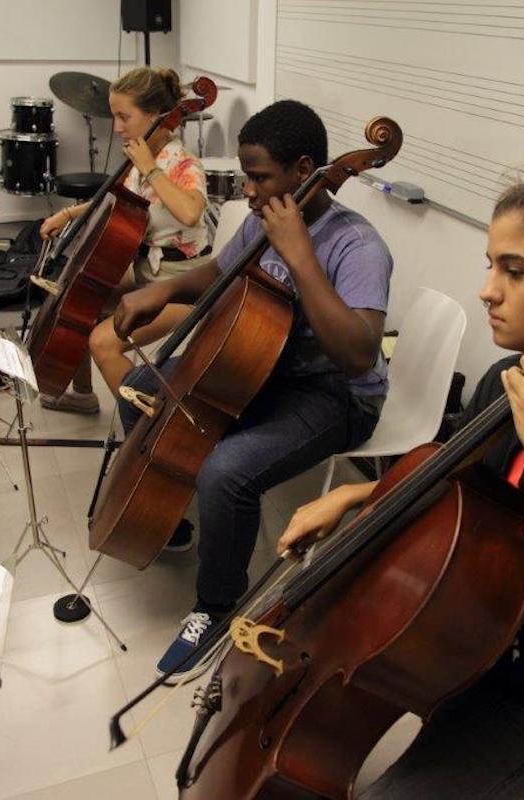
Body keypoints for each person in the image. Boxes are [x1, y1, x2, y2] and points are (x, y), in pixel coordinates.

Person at [277, 150, 524, 798]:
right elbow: (450, 488)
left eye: (514, 272)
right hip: (470, 646)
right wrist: (357, 494)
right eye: (491, 266)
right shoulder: (505, 377)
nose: (487, 290)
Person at [113, 100, 393, 681]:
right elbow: (222, 271)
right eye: (246, 174)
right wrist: (163, 293)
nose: (248, 188)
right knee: (141, 386)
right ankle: (174, 514)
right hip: (266, 367)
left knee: (227, 471)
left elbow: (358, 352)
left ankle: (215, 605)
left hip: (334, 394)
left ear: (304, 168)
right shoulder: (265, 214)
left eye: (260, 176)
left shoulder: (357, 246)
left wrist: (298, 253)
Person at [38, 66, 211, 414]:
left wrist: (150, 169)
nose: (117, 127)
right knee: (81, 301)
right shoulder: (141, 157)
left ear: (154, 116)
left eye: (124, 117)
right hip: (148, 274)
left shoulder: (184, 165)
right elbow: (118, 200)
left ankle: (149, 428)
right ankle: (83, 395)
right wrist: (68, 215)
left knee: (103, 343)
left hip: (184, 287)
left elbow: (190, 213)